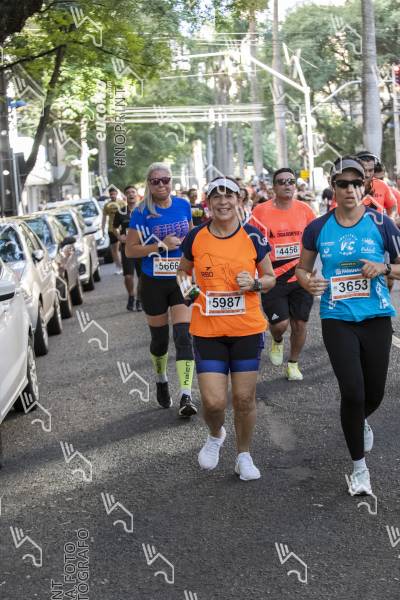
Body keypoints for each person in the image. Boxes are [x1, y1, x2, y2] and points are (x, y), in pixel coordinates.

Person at [296, 156, 400, 496]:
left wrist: (384, 268)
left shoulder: (381, 223)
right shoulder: (318, 227)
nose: (351, 189)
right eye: (343, 183)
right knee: (353, 393)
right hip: (337, 317)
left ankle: (359, 419)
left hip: (376, 317)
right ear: (334, 188)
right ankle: (359, 470)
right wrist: (308, 282)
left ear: (365, 186)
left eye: (357, 183)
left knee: (374, 394)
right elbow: (302, 269)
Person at [177, 176, 276, 481]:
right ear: (208, 203)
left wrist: (255, 283)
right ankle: (216, 434)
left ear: (239, 200)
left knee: (244, 399)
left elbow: (270, 277)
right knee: (213, 402)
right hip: (208, 331)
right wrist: (190, 291)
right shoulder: (195, 237)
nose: (223, 202)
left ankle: (244, 455)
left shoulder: (253, 236)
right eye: (216, 197)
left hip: (246, 329)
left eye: (229, 196)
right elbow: (182, 272)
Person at [125, 162, 197, 417]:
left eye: (165, 180)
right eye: (156, 181)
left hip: (182, 278)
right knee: (159, 339)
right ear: (149, 184)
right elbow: (130, 250)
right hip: (153, 281)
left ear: (171, 181)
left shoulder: (183, 205)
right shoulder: (141, 212)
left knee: (183, 335)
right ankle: (161, 379)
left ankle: (186, 395)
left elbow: (192, 239)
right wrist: (160, 246)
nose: (162, 185)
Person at [249, 168, 315, 380]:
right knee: (280, 325)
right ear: (274, 187)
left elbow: (316, 239)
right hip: (273, 277)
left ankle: (293, 363)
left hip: (301, 275)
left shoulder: (305, 210)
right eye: (282, 182)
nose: (287, 185)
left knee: (300, 323)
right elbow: (250, 242)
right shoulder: (260, 212)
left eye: (291, 181)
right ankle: (277, 340)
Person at [113, 185, 142, 311]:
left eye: (133, 192)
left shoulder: (143, 210)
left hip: (142, 247)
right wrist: (119, 237)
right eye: (128, 192)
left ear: (137, 194)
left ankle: (140, 299)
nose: (131, 194)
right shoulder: (120, 212)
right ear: (125, 196)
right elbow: (114, 227)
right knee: (128, 276)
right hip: (127, 248)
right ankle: (131, 296)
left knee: (142, 276)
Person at [102, 186, 126, 274]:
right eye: (111, 194)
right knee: (114, 250)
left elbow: (127, 214)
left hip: (122, 228)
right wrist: (102, 228)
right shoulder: (107, 205)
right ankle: (119, 267)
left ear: (116, 194)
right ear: (109, 195)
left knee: (125, 248)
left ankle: (127, 265)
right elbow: (104, 217)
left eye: (114, 194)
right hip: (111, 229)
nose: (112, 196)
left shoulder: (122, 203)